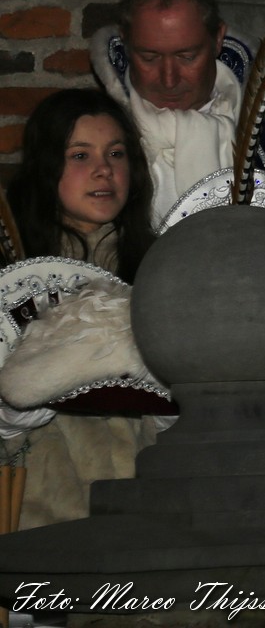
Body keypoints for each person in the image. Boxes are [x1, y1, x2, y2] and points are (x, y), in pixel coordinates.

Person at [90, 0, 265, 438]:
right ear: (125, 45)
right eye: (149, 56)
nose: (169, 78)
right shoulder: (99, 146)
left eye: (187, 55)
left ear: (217, 39)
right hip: (127, 402)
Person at [0, 89, 159, 528]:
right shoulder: (11, 271)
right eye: (80, 155)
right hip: (38, 513)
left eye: (115, 153)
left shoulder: (161, 271)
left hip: (145, 517)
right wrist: (11, 417)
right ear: (47, 166)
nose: (104, 169)